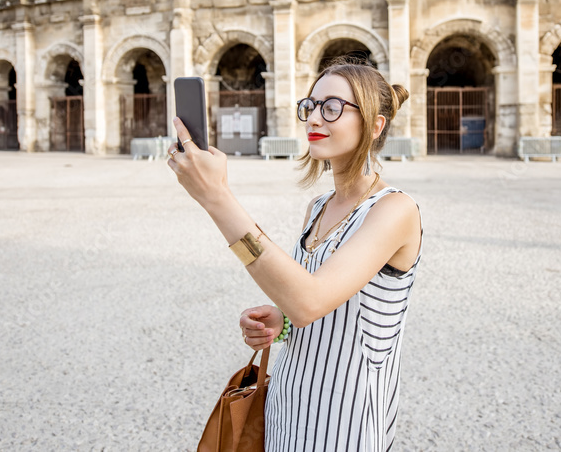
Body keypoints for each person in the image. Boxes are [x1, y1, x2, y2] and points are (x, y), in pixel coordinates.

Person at [167, 60, 423, 452]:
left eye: (333, 107)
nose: (315, 118)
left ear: (375, 126)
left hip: (345, 421)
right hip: (287, 406)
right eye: (311, 105)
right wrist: (280, 321)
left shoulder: (394, 210)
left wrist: (216, 198)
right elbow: (308, 303)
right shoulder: (318, 207)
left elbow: (310, 301)